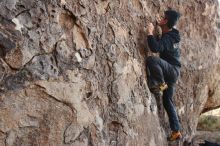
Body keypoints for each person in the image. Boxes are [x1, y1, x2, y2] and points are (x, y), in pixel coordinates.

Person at [146, 9, 182, 141]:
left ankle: (160, 83)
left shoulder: (168, 38)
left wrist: (150, 32)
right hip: (173, 72)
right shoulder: (173, 34)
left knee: (151, 59)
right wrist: (160, 27)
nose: (160, 18)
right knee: (168, 101)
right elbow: (162, 44)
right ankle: (176, 131)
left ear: (166, 21)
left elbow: (155, 48)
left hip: (170, 70)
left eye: (163, 18)